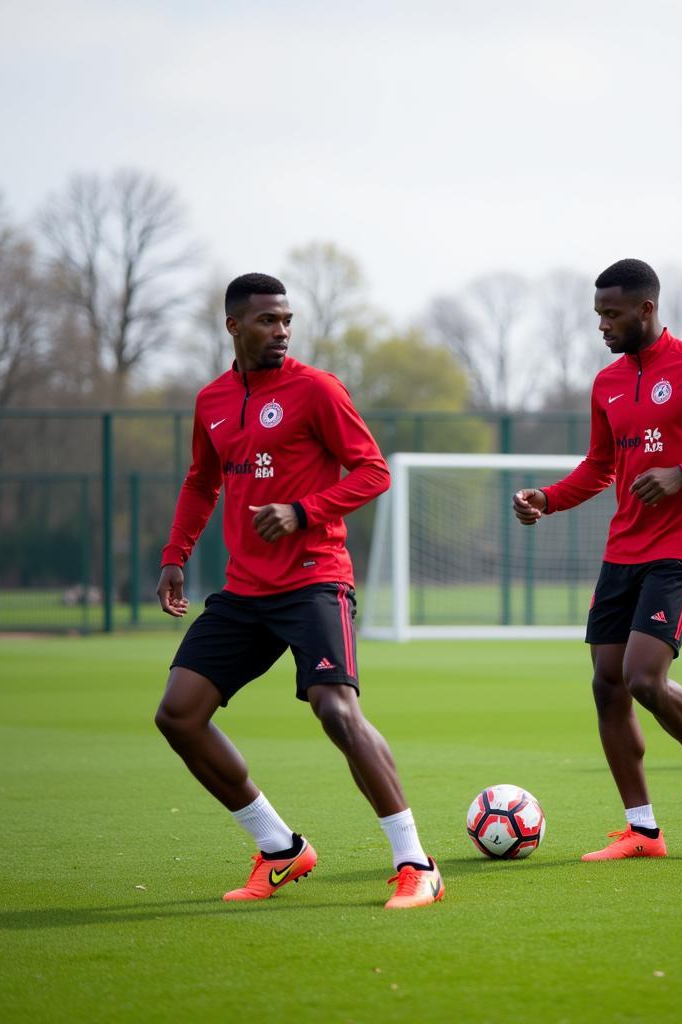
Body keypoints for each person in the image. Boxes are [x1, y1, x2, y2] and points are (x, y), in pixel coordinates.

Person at [154, 273, 443, 908]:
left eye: (286, 320)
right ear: (233, 326)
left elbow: (373, 471)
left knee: (336, 711)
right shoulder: (211, 401)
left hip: (314, 578)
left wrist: (302, 511)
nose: (281, 331)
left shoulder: (316, 389)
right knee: (177, 716)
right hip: (243, 592)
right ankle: (281, 848)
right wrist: (176, 556)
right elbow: (202, 482)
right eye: (266, 321)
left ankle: (416, 863)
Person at [513, 259, 682, 859]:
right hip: (624, 548)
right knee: (608, 686)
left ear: (646, 309)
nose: (602, 325)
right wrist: (546, 500)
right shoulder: (606, 383)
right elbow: (599, 467)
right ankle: (643, 830)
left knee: (642, 676)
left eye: (612, 314)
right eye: (598, 314)